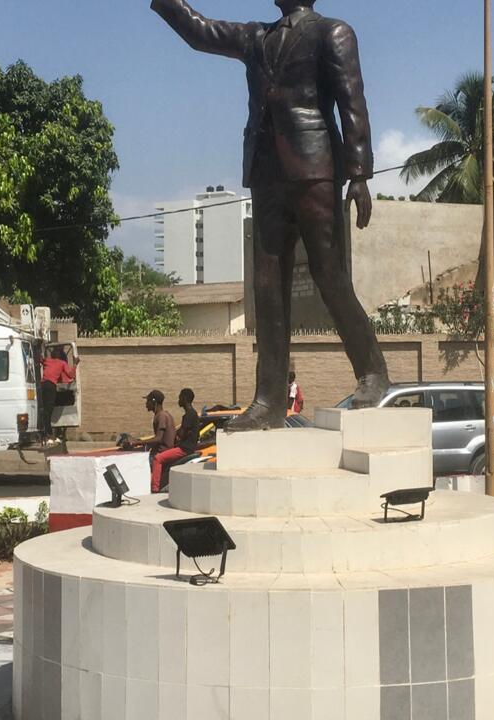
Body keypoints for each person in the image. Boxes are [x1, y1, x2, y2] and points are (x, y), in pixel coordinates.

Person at [152, 0, 391, 431]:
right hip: (266, 173)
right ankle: (269, 400)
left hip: (315, 168)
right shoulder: (255, 36)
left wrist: (359, 176)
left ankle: (372, 372)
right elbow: (200, 31)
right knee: (267, 287)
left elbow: (352, 104)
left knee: (329, 275)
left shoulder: (332, 32)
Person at [150, 388, 201, 492]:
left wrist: (174, 433)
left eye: (180, 397)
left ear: (185, 399)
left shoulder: (189, 415)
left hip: (184, 449)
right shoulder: (192, 414)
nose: (178, 400)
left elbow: (181, 433)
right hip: (186, 447)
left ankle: (155, 489)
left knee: (157, 459)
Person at [135, 390, 177, 490]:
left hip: (162, 452)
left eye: (148, 401)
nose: (146, 404)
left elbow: (158, 439)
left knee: (138, 465)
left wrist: (136, 443)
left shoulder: (161, 416)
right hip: (162, 450)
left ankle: (151, 489)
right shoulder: (163, 414)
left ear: (154, 402)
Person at [39, 348, 78, 442]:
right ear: (60, 356)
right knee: (48, 411)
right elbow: (71, 375)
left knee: (44, 409)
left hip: (42, 385)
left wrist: (39, 352)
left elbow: (40, 359)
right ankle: (48, 434)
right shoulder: (62, 363)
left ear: (51, 355)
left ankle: (44, 433)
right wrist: (75, 364)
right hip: (51, 386)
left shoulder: (47, 361)